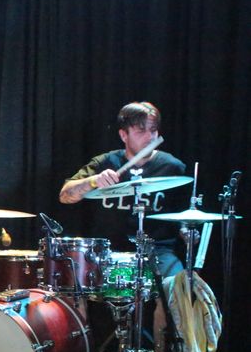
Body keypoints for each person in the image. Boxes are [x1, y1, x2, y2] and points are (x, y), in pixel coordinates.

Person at [59, 101, 190, 278]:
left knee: (179, 285)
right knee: (73, 279)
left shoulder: (173, 167)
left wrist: (187, 230)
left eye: (153, 130)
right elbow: (65, 196)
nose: (150, 137)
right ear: (123, 135)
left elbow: (183, 214)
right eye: (141, 131)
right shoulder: (105, 162)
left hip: (157, 251)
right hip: (106, 250)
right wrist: (93, 181)